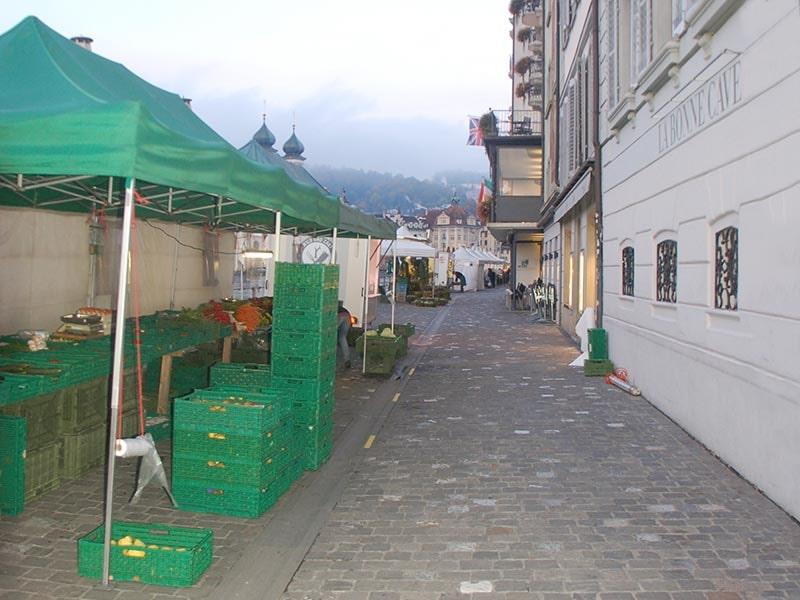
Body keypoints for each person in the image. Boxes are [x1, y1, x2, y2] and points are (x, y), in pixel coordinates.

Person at [337, 301, 351, 368]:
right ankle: (347, 359)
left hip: (339, 315)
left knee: (330, 336)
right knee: (342, 337)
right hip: (347, 315)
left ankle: (329, 358)